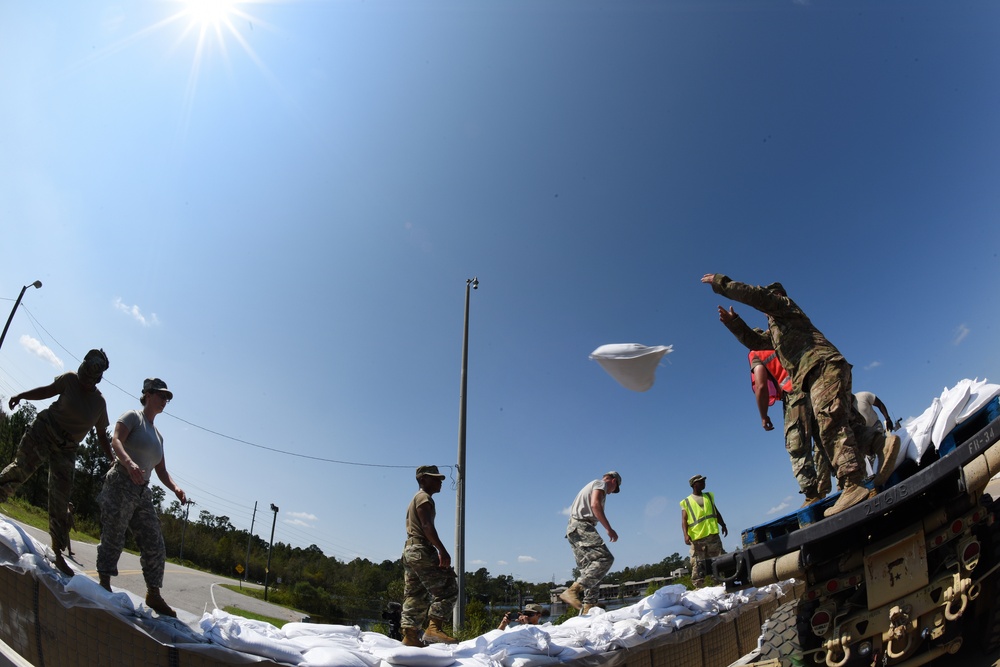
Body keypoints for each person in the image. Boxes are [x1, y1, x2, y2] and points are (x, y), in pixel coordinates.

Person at [702, 274, 896, 517]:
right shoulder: (776, 330)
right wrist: (735, 324)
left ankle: (852, 485)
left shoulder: (784, 308)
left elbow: (755, 295)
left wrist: (721, 284)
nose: (766, 308)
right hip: (822, 371)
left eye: (770, 299)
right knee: (843, 424)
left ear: (777, 297)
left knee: (830, 426)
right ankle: (881, 443)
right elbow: (756, 342)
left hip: (821, 367)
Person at [1, 349, 112, 576]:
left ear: (97, 379)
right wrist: (21, 395)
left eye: (88, 378)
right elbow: (48, 391)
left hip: (67, 449)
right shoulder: (70, 379)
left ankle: (58, 553)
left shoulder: (99, 404)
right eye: (82, 374)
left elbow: (102, 435)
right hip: (44, 432)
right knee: (20, 470)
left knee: (61, 502)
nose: (82, 380)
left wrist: (113, 459)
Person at [96, 378, 187, 618]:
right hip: (121, 482)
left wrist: (175, 488)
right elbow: (116, 439)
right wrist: (128, 462)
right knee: (114, 534)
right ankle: (104, 582)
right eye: (161, 395)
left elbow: (161, 471)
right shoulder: (132, 417)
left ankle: (153, 594)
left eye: (167, 397)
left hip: (141, 491)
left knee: (154, 542)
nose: (165, 400)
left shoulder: (158, 436)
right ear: (147, 394)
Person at [748, 349, 832, 506]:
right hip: (816, 385)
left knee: (797, 445)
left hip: (794, 393)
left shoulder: (757, 352)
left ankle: (812, 493)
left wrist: (764, 415)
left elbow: (761, 386)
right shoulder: (780, 341)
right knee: (825, 436)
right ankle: (845, 478)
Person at [401, 465, 458, 647]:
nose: (440, 481)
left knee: (415, 594)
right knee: (448, 588)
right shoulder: (423, 498)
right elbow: (427, 526)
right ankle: (434, 629)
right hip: (421, 549)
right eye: (435, 478)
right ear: (422, 479)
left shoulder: (417, 498)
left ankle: (410, 635)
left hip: (410, 550)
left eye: (440, 478)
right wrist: (442, 550)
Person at [559, 471, 621, 615]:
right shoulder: (600, 484)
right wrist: (609, 528)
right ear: (613, 481)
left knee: (591, 569)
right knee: (605, 559)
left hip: (573, 529)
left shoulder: (592, 485)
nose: (611, 493)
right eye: (614, 489)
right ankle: (573, 590)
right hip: (582, 526)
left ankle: (589, 607)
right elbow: (595, 504)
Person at [681, 474, 727, 588]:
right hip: (697, 539)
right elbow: (684, 520)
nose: (704, 483)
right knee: (698, 565)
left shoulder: (709, 496)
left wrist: (723, 524)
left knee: (717, 561)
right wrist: (685, 535)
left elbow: (716, 512)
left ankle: (720, 586)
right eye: (701, 482)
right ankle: (699, 589)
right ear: (694, 484)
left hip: (712, 536)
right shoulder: (686, 502)